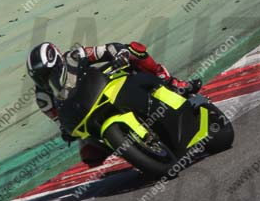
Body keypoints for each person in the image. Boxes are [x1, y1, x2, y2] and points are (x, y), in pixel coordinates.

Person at [26, 41, 202, 167]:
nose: (46, 79)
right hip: (85, 113)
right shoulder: (43, 97)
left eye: (48, 72)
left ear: (58, 60)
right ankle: (135, 150)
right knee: (90, 156)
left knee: (135, 49)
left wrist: (119, 53)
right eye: (40, 77)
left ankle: (170, 81)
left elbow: (106, 50)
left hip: (101, 87)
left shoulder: (74, 56)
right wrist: (66, 131)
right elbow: (59, 119)